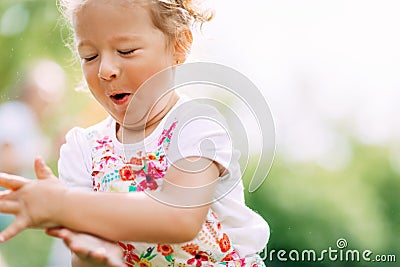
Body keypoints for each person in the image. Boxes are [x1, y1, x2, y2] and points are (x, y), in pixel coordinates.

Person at [0, 0, 270, 266]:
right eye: (90, 56)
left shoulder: (196, 126)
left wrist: (61, 204)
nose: (106, 70)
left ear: (179, 45)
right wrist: (94, 256)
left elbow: (179, 217)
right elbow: (85, 249)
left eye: (126, 50)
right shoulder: (82, 149)